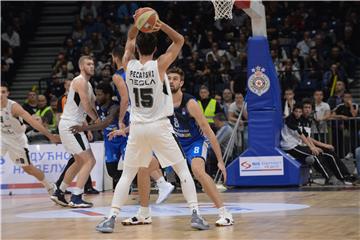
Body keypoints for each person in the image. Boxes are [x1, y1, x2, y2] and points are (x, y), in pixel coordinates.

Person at [95, 15, 209, 233]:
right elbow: (179, 41)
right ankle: (195, 214)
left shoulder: (128, 65)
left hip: (137, 127)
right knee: (183, 171)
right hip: (159, 125)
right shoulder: (160, 66)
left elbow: (129, 39)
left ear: (137, 48)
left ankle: (110, 218)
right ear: (156, 49)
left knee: (128, 174)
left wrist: (138, 25)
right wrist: (160, 24)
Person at [121, 67, 233, 227]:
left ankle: (225, 213)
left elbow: (208, 131)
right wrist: (124, 130)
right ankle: (144, 214)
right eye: (169, 78)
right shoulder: (159, 101)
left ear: (181, 82)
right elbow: (144, 121)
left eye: (175, 78)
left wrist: (220, 161)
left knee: (198, 171)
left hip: (194, 142)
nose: (171, 81)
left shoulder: (190, 103)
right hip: (172, 142)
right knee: (143, 167)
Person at [111, 45, 174, 203]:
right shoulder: (141, 68)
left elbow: (125, 99)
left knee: (135, 157)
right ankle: (159, 185)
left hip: (134, 114)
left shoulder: (119, 75)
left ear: (114, 57)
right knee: (140, 155)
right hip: (149, 111)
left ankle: (158, 186)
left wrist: (120, 120)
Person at [51, 55, 100, 208]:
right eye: (88, 64)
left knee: (79, 161)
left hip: (74, 125)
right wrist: (98, 121)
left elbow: (90, 107)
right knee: (89, 160)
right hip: (71, 126)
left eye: (93, 64)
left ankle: (59, 191)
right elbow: (86, 106)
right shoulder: (79, 81)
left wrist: (98, 119)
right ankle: (76, 196)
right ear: (81, 67)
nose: (92, 66)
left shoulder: (88, 85)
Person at [0, 82, 60, 196]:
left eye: (3, 92)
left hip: (16, 141)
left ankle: (50, 186)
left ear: (8, 93)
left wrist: (50, 136)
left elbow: (33, 123)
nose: (0, 95)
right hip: (2, 138)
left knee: (28, 169)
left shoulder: (13, 107)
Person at [301, 99, 355, 184]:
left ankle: (345, 176)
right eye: (305, 107)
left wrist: (324, 145)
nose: (307, 109)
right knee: (322, 155)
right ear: (302, 109)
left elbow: (308, 137)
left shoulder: (308, 120)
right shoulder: (300, 120)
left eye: (309, 107)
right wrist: (318, 146)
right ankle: (332, 177)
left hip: (308, 144)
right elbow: (304, 137)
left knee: (330, 152)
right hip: (301, 146)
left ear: (312, 109)